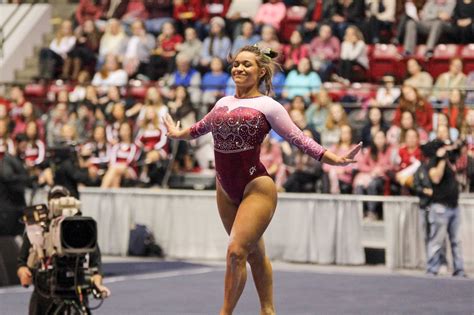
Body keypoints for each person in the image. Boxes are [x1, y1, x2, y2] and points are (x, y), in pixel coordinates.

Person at [163, 45, 361, 315]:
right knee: (252, 252)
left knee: (235, 252)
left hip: (256, 186)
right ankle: (268, 310)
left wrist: (332, 158)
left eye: (246, 65)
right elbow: (199, 128)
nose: (239, 69)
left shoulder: (268, 106)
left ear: (261, 71)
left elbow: (298, 138)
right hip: (225, 188)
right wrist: (177, 133)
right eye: (236, 64)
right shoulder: (222, 103)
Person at [17, 186, 111, 315]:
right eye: (55, 200)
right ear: (49, 203)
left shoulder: (81, 228)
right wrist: (24, 271)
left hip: (76, 290)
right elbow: (21, 262)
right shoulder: (37, 229)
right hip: (44, 292)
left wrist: (97, 284)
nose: (59, 204)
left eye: (62, 199)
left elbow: (95, 265)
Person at [424, 127, 466, 277]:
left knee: (456, 241)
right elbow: (435, 178)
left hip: (454, 206)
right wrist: (441, 159)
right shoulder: (433, 161)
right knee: (437, 241)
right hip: (440, 207)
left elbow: (462, 155)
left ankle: (459, 269)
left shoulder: (452, 160)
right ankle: (432, 269)